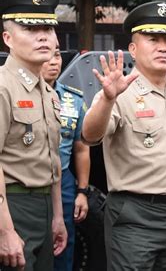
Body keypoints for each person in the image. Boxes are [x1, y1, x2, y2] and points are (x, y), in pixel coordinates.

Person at [81, 1, 166, 271]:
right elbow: (90, 136)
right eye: (153, 39)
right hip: (135, 215)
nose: (163, 47)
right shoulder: (119, 91)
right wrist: (107, 99)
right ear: (133, 48)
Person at [0, 0, 67, 270]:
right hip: (12, 208)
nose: (43, 36)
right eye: (30, 28)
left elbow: (51, 159)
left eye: (48, 28)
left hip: (44, 207)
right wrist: (5, 231)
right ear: (8, 38)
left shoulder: (49, 93)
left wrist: (57, 217)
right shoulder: (3, 87)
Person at [41, 44, 91, 271]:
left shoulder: (73, 100)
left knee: (63, 246)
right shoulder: (11, 93)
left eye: (57, 55)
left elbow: (81, 148)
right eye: (47, 56)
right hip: (24, 182)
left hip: (64, 182)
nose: (54, 62)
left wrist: (82, 191)